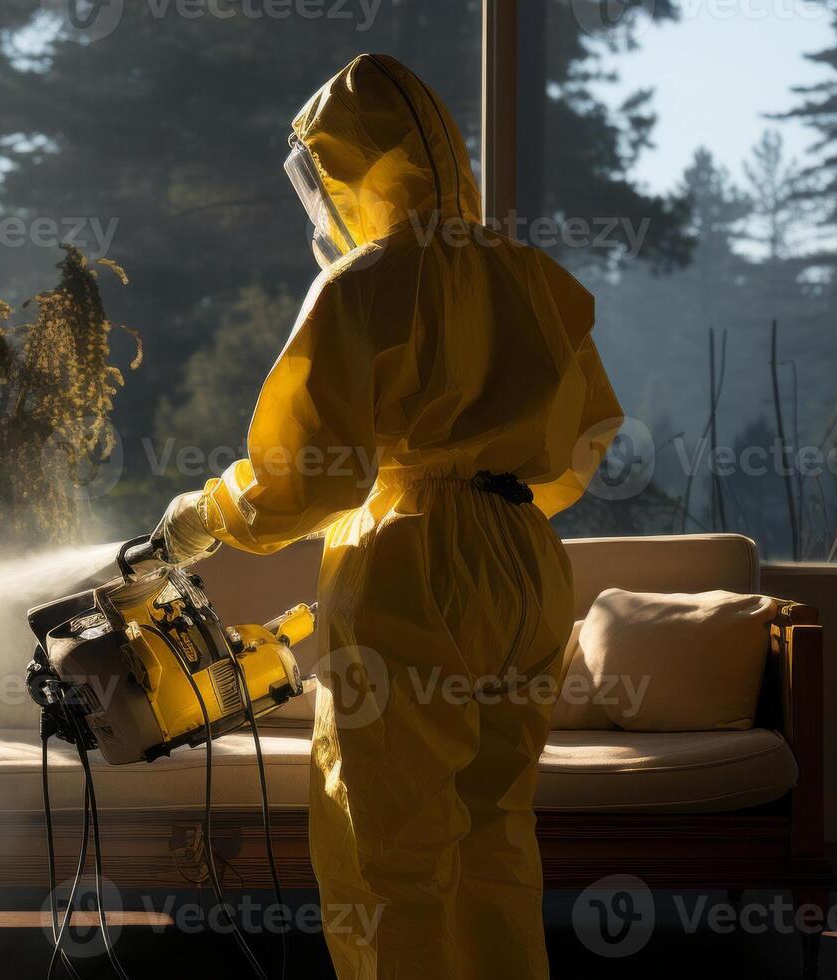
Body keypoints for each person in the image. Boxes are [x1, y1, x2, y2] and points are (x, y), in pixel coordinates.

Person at [152, 53, 622, 979]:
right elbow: (586, 440)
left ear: (347, 170)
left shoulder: (361, 284)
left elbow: (311, 479)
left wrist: (208, 514)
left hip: (410, 564)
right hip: (526, 562)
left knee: (390, 850)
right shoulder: (535, 279)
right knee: (495, 834)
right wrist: (494, 498)